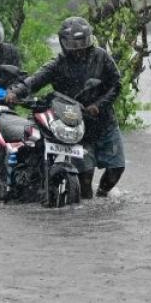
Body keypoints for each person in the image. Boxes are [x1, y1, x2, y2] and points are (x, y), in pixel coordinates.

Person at [10, 16, 124, 199]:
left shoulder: (101, 57)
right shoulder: (58, 64)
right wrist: (16, 92)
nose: (79, 49)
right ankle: (84, 211)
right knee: (85, 177)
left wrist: (99, 105)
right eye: (73, 43)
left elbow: (116, 84)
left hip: (105, 122)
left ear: (89, 39)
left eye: (82, 42)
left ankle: (103, 196)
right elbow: (35, 80)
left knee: (116, 168)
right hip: (75, 124)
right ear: (64, 43)